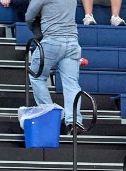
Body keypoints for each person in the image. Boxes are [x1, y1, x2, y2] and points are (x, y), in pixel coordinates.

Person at [25, 0, 84, 135]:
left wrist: (34, 27)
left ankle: (49, 114)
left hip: (52, 41)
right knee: (71, 84)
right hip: (73, 43)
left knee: (36, 76)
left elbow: (29, 16)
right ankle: (74, 120)